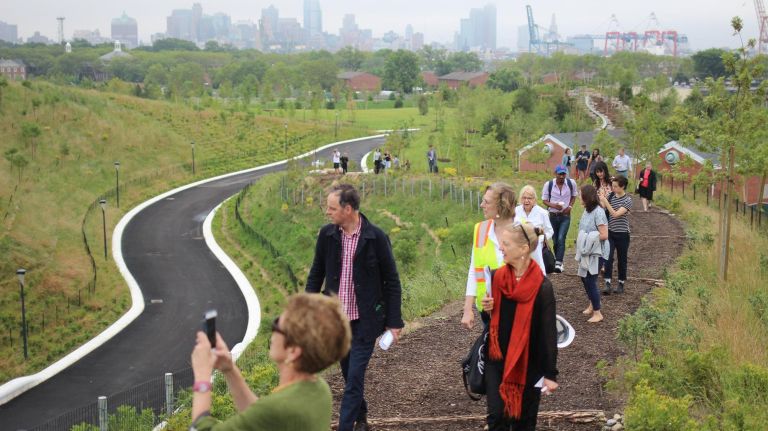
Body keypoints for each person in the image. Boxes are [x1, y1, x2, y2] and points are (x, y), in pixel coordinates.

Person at [306, 184, 403, 431]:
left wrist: (394, 322)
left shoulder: (376, 238)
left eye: (331, 208)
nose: (327, 212)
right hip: (337, 322)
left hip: (365, 321)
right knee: (350, 375)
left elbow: (391, 281)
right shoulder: (327, 236)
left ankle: (346, 426)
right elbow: (316, 274)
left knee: (355, 377)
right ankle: (362, 418)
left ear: (348, 209)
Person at [189, 294, 352, 431]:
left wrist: (202, 375)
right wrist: (229, 369)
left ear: (293, 351)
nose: (272, 331)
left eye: (277, 325)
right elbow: (260, 418)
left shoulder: (278, 410)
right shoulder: (319, 390)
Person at [481, 223, 558, 430]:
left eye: (505, 244)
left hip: (528, 365)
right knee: (497, 418)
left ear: (524, 249)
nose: (501, 248)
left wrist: (550, 374)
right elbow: (489, 321)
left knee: (524, 422)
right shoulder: (497, 277)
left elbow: (548, 332)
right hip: (496, 361)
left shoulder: (542, 287)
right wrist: (486, 309)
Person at [461, 182, 518, 330]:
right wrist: (467, 309)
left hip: (518, 312)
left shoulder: (524, 231)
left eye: (486, 202)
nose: (481, 205)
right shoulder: (480, 230)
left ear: (501, 206)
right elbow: (474, 270)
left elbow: (539, 276)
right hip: (488, 312)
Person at [575, 185, 608, 323]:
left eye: (580, 194)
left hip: (597, 252)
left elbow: (604, 234)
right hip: (587, 251)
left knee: (590, 280)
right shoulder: (586, 210)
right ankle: (592, 304)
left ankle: (597, 312)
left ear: (586, 197)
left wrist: (589, 239)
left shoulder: (599, 212)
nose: (578, 197)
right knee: (584, 278)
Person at [541, 165, 578, 273]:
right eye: (559, 174)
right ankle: (558, 260)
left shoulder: (571, 183)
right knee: (555, 241)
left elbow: (574, 195)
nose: (562, 176)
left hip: (565, 216)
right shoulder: (549, 185)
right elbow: (544, 200)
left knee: (562, 238)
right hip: (553, 216)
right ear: (555, 174)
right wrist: (554, 206)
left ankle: (558, 263)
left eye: (563, 174)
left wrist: (570, 207)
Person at [600, 176, 633, 295]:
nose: (613, 188)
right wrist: (601, 198)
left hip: (623, 233)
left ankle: (621, 283)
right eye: (612, 186)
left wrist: (605, 201)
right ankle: (607, 282)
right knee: (608, 257)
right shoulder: (611, 196)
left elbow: (615, 214)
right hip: (610, 232)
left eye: (615, 186)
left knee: (622, 259)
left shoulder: (627, 200)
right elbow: (604, 207)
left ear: (622, 187)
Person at [514, 185, 553, 276]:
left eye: (529, 198)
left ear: (534, 199)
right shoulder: (515, 211)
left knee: (538, 273)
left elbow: (550, 231)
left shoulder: (542, 213)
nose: (526, 201)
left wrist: (541, 239)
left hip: (536, 249)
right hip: (520, 249)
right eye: (524, 198)